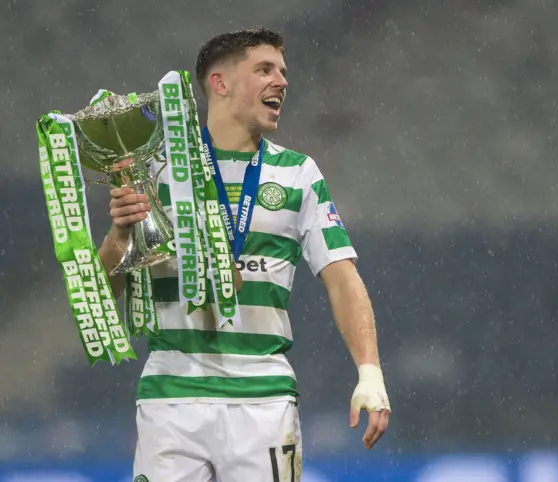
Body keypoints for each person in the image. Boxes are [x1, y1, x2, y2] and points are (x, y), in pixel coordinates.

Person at [98, 27, 390, 482]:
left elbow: (342, 277)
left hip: (264, 398)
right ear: (220, 83)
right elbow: (101, 294)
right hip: (171, 398)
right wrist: (120, 235)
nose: (282, 81)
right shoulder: (152, 170)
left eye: (283, 71)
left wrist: (369, 372)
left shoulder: (298, 174)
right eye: (264, 70)